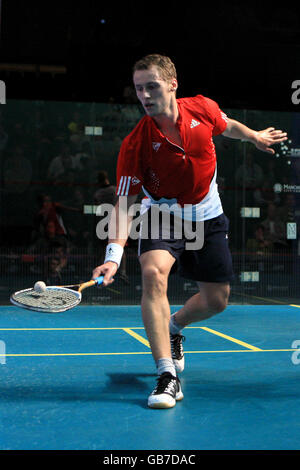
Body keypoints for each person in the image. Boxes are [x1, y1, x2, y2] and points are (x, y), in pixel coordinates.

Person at [92, 54, 288, 409]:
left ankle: (175, 325)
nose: (145, 95)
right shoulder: (135, 143)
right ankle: (166, 375)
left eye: (152, 86)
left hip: (208, 214)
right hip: (161, 214)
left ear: (172, 84)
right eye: (139, 89)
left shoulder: (201, 108)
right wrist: (113, 256)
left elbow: (226, 125)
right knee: (153, 275)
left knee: (217, 301)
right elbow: (124, 204)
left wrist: (254, 137)